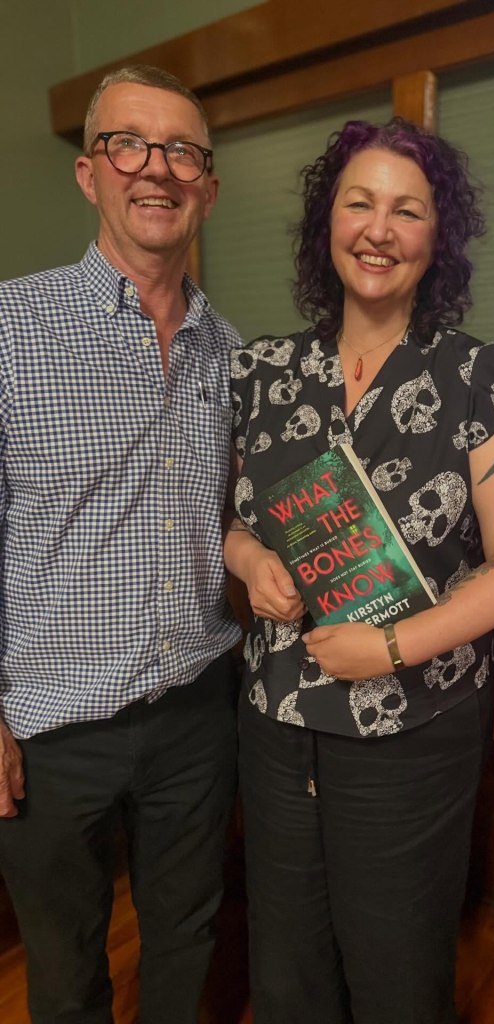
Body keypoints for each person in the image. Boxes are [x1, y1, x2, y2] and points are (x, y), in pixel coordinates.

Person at [225, 117, 494, 1024]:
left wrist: (394, 646)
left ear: (435, 238)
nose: (379, 228)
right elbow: (232, 521)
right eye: (359, 203)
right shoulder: (263, 372)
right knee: (287, 964)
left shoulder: (476, 376)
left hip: (414, 721)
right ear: (325, 223)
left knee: (397, 967)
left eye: (406, 211)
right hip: (278, 714)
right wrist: (250, 556)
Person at [0, 65, 241, 1024]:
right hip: (56, 723)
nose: (159, 169)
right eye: (129, 144)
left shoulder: (230, 349)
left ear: (208, 188)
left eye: (183, 150)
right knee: (63, 971)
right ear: (89, 173)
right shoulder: (12, 329)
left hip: (196, 709)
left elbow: (227, 514)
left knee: (187, 939)